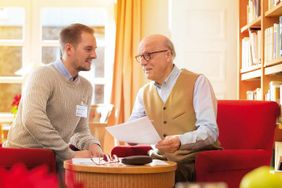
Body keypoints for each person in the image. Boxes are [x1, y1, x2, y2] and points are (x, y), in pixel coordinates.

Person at [4, 23, 103, 176]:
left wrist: (93, 145)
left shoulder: (86, 87)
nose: (94, 55)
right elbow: (32, 119)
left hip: (54, 161)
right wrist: (69, 153)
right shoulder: (42, 75)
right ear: (69, 49)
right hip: (22, 163)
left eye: (95, 49)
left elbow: (80, 130)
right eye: (88, 49)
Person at [129, 34, 221, 182]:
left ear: (168, 55)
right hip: (158, 160)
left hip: (192, 161)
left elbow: (210, 131)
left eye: (148, 55)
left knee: (165, 177)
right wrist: (130, 135)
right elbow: (132, 129)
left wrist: (180, 140)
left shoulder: (198, 82)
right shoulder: (143, 93)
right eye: (141, 57)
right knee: (125, 176)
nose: (143, 62)